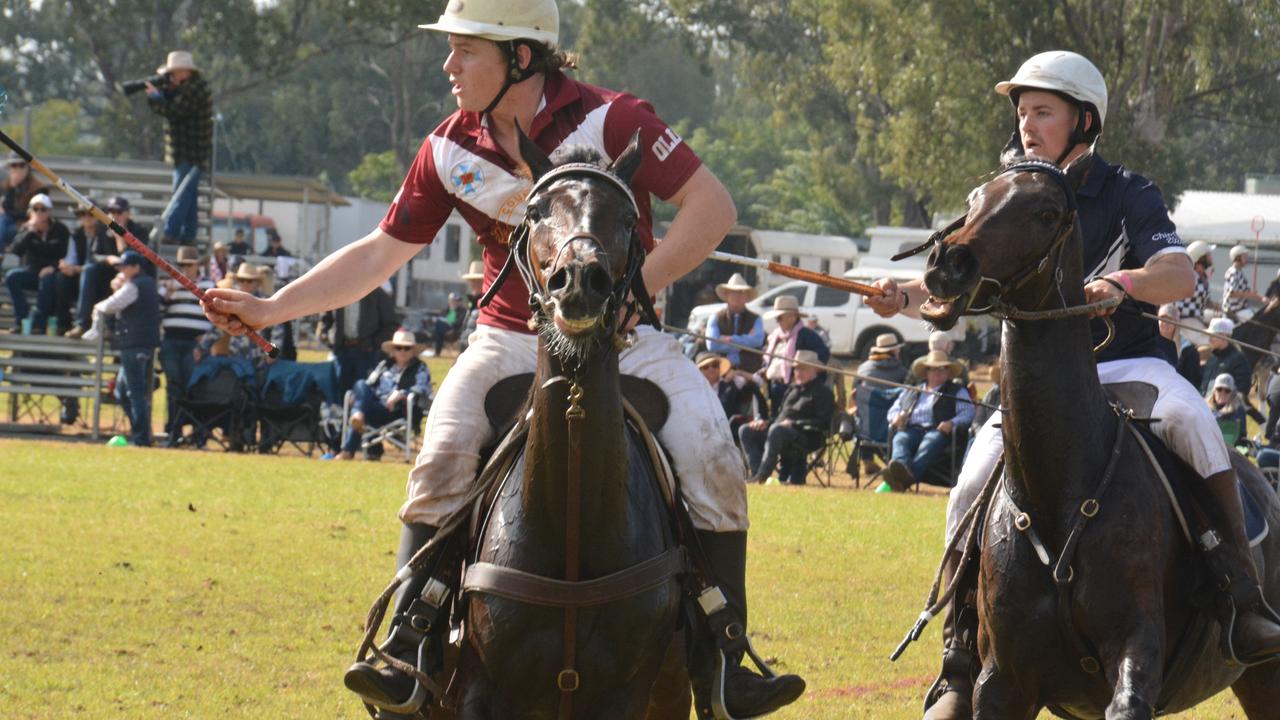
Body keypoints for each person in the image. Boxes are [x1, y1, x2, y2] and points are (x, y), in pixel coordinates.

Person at [200, 1, 804, 716]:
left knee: (715, 458)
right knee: (441, 456)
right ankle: (409, 647)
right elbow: (378, 254)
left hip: (627, 338)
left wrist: (636, 291)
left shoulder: (614, 120)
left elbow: (712, 208)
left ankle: (724, 662)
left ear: (521, 57)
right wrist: (269, 310)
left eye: (465, 52)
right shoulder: (448, 149)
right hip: (508, 338)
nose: (449, 68)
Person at [865, 50, 1280, 718]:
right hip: (1039, 388)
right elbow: (957, 282)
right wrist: (900, 295)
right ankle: (960, 650)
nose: (1028, 123)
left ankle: (1241, 600)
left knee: (1196, 424)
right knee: (973, 478)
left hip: (1131, 370)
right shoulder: (1005, 194)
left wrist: (1120, 284)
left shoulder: (1127, 191)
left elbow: (1178, 276)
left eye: (1043, 110)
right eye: (1022, 111)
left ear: (1083, 120)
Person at [81, 251, 161, 446]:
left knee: (134, 394)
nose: (122, 271)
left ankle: (142, 438)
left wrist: (97, 310)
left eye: (125, 267)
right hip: (139, 344)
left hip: (134, 344)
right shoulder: (147, 283)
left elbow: (109, 305)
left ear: (136, 267)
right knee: (122, 392)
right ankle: (140, 432)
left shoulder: (135, 285)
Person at [881, 349, 974, 491]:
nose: (937, 372)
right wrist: (896, 418)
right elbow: (893, 411)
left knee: (930, 442)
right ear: (927, 372)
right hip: (911, 429)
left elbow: (967, 413)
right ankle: (900, 471)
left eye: (941, 369)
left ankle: (904, 479)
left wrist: (952, 423)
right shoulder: (912, 390)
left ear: (948, 372)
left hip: (938, 431)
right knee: (900, 439)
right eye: (932, 369)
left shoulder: (957, 391)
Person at [146, 51, 212, 246]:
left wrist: (157, 98)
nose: (171, 77)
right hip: (189, 152)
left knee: (181, 193)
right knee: (188, 195)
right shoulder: (189, 88)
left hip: (191, 152)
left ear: (184, 72)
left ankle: (172, 231)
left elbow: (175, 112)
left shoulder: (193, 90)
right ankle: (188, 235)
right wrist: (161, 96)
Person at [738, 350, 834, 485]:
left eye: (803, 369)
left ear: (814, 371)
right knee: (746, 430)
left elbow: (823, 422)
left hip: (807, 435)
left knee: (777, 430)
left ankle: (762, 475)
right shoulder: (792, 389)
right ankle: (756, 473)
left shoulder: (823, 392)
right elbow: (779, 416)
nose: (799, 372)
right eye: (796, 369)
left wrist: (794, 424)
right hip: (778, 431)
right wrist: (765, 423)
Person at [340, 329, 435, 461]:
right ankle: (358, 415)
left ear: (413, 351)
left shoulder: (420, 367)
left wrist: (401, 394)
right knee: (361, 384)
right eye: (398, 347)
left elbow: (422, 389)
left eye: (406, 348)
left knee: (360, 408)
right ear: (393, 350)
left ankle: (348, 450)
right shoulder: (385, 365)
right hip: (375, 405)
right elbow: (369, 384)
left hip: (398, 410)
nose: (402, 351)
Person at [68, 196, 153, 338]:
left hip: (129, 275)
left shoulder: (139, 231)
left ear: (127, 213)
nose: (114, 216)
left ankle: (110, 327)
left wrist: (120, 240)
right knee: (89, 270)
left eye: (118, 212)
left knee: (121, 278)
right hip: (107, 272)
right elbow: (94, 255)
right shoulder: (101, 228)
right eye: (110, 211)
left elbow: (138, 262)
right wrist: (109, 258)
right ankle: (82, 324)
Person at [159, 247, 214, 447]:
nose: (185, 269)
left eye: (189, 265)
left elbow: (216, 318)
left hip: (194, 345)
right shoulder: (168, 284)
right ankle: (173, 432)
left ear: (197, 265)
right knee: (174, 388)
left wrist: (204, 344)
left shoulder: (208, 285)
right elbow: (157, 311)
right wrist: (166, 295)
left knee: (193, 389)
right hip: (171, 341)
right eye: (182, 265)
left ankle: (197, 434)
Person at [318, 285, 400, 396]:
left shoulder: (377, 294)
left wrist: (372, 344)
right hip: (341, 352)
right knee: (339, 393)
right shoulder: (335, 294)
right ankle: (342, 413)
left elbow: (391, 325)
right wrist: (329, 339)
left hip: (367, 354)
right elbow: (324, 321)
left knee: (364, 392)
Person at [4, 193, 69, 333]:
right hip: (32, 271)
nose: (39, 212)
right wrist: (29, 232)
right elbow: (16, 250)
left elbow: (67, 255)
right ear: (30, 211)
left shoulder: (61, 230)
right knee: (12, 277)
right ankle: (22, 318)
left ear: (49, 211)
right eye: (35, 209)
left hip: (53, 273)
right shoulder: (26, 228)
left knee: (47, 280)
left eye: (43, 209)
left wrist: (52, 267)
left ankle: (38, 325)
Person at [759, 294, 830, 417]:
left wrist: (799, 376)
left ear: (792, 317)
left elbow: (822, 357)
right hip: (774, 386)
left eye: (780, 317)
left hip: (794, 389)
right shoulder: (776, 336)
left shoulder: (808, 336)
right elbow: (769, 358)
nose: (777, 321)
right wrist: (765, 369)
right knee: (774, 417)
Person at [852, 333, 909, 476]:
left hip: (865, 430)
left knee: (860, 415)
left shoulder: (863, 369)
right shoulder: (901, 372)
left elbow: (854, 393)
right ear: (894, 351)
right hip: (891, 428)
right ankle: (892, 461)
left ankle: (867, 459)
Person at [705, 272, 764, 373]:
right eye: (733, 292)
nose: (737, 295)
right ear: (727, 295)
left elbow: (757, 341)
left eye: (741, 292)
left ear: (746, 296)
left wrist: (730, 339)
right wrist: (745, 343)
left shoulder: (756, 318)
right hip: (721, 371)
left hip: (748, 371)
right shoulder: (716, 317)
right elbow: (712, 345)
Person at [1, 152, 49, 254]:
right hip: (9, 222)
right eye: (14, 165)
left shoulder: (39, 188)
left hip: (28, 223)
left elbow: (34, 214)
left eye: (21, 165)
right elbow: (6, 207)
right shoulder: (6, 184)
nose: (17, 169)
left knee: (3, 226)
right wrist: (12, 188)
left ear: (28, 168)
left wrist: (9, 212)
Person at [1200, 317, 1251, 397]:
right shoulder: (1212, 358)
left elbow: (1242, 389)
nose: (1209, 340)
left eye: (1212, 335)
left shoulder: (1239, 360)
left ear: (1224, 336)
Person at [1157, 303, 1202, 390]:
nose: (1165, 323)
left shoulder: (1188, 350)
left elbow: (1192, 381)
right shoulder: (1149, 343)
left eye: (1170, 320)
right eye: (1162, 319)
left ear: (1176, 323)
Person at [1174, 240, 1214, 335]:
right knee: (1210, 343)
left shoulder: (1200, 276)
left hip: (1195, 318)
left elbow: (1199, 300)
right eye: (1209, 255)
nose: (1211, 257)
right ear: (1201, 258)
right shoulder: (1190, 276)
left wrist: (1216, 306)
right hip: (1186, 320)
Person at [1205, 373, 1255, 449]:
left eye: (1227, 390)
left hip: (1230, 450)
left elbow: (1241, 438)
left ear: (1232, 393)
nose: (1222, 393)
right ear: (1214, 391)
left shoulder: (1238, 411)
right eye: (1219, 389)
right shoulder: (1204, 408)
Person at [1222, 244, 1264, 322]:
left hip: (1241, 309)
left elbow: (1247, 293)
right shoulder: (1233, 272)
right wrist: (1249, 294)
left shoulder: (1239, 272)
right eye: (1245, 257)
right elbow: (1231, 293)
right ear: (1237, 258)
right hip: (1234, 311)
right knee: (1257, 323)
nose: (1247, 259)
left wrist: (1262, 299)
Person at [457, 260, 484, 352]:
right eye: (472, 280)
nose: (473, 283)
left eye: (477, 281)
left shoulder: (486, 303)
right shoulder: (472, 302)